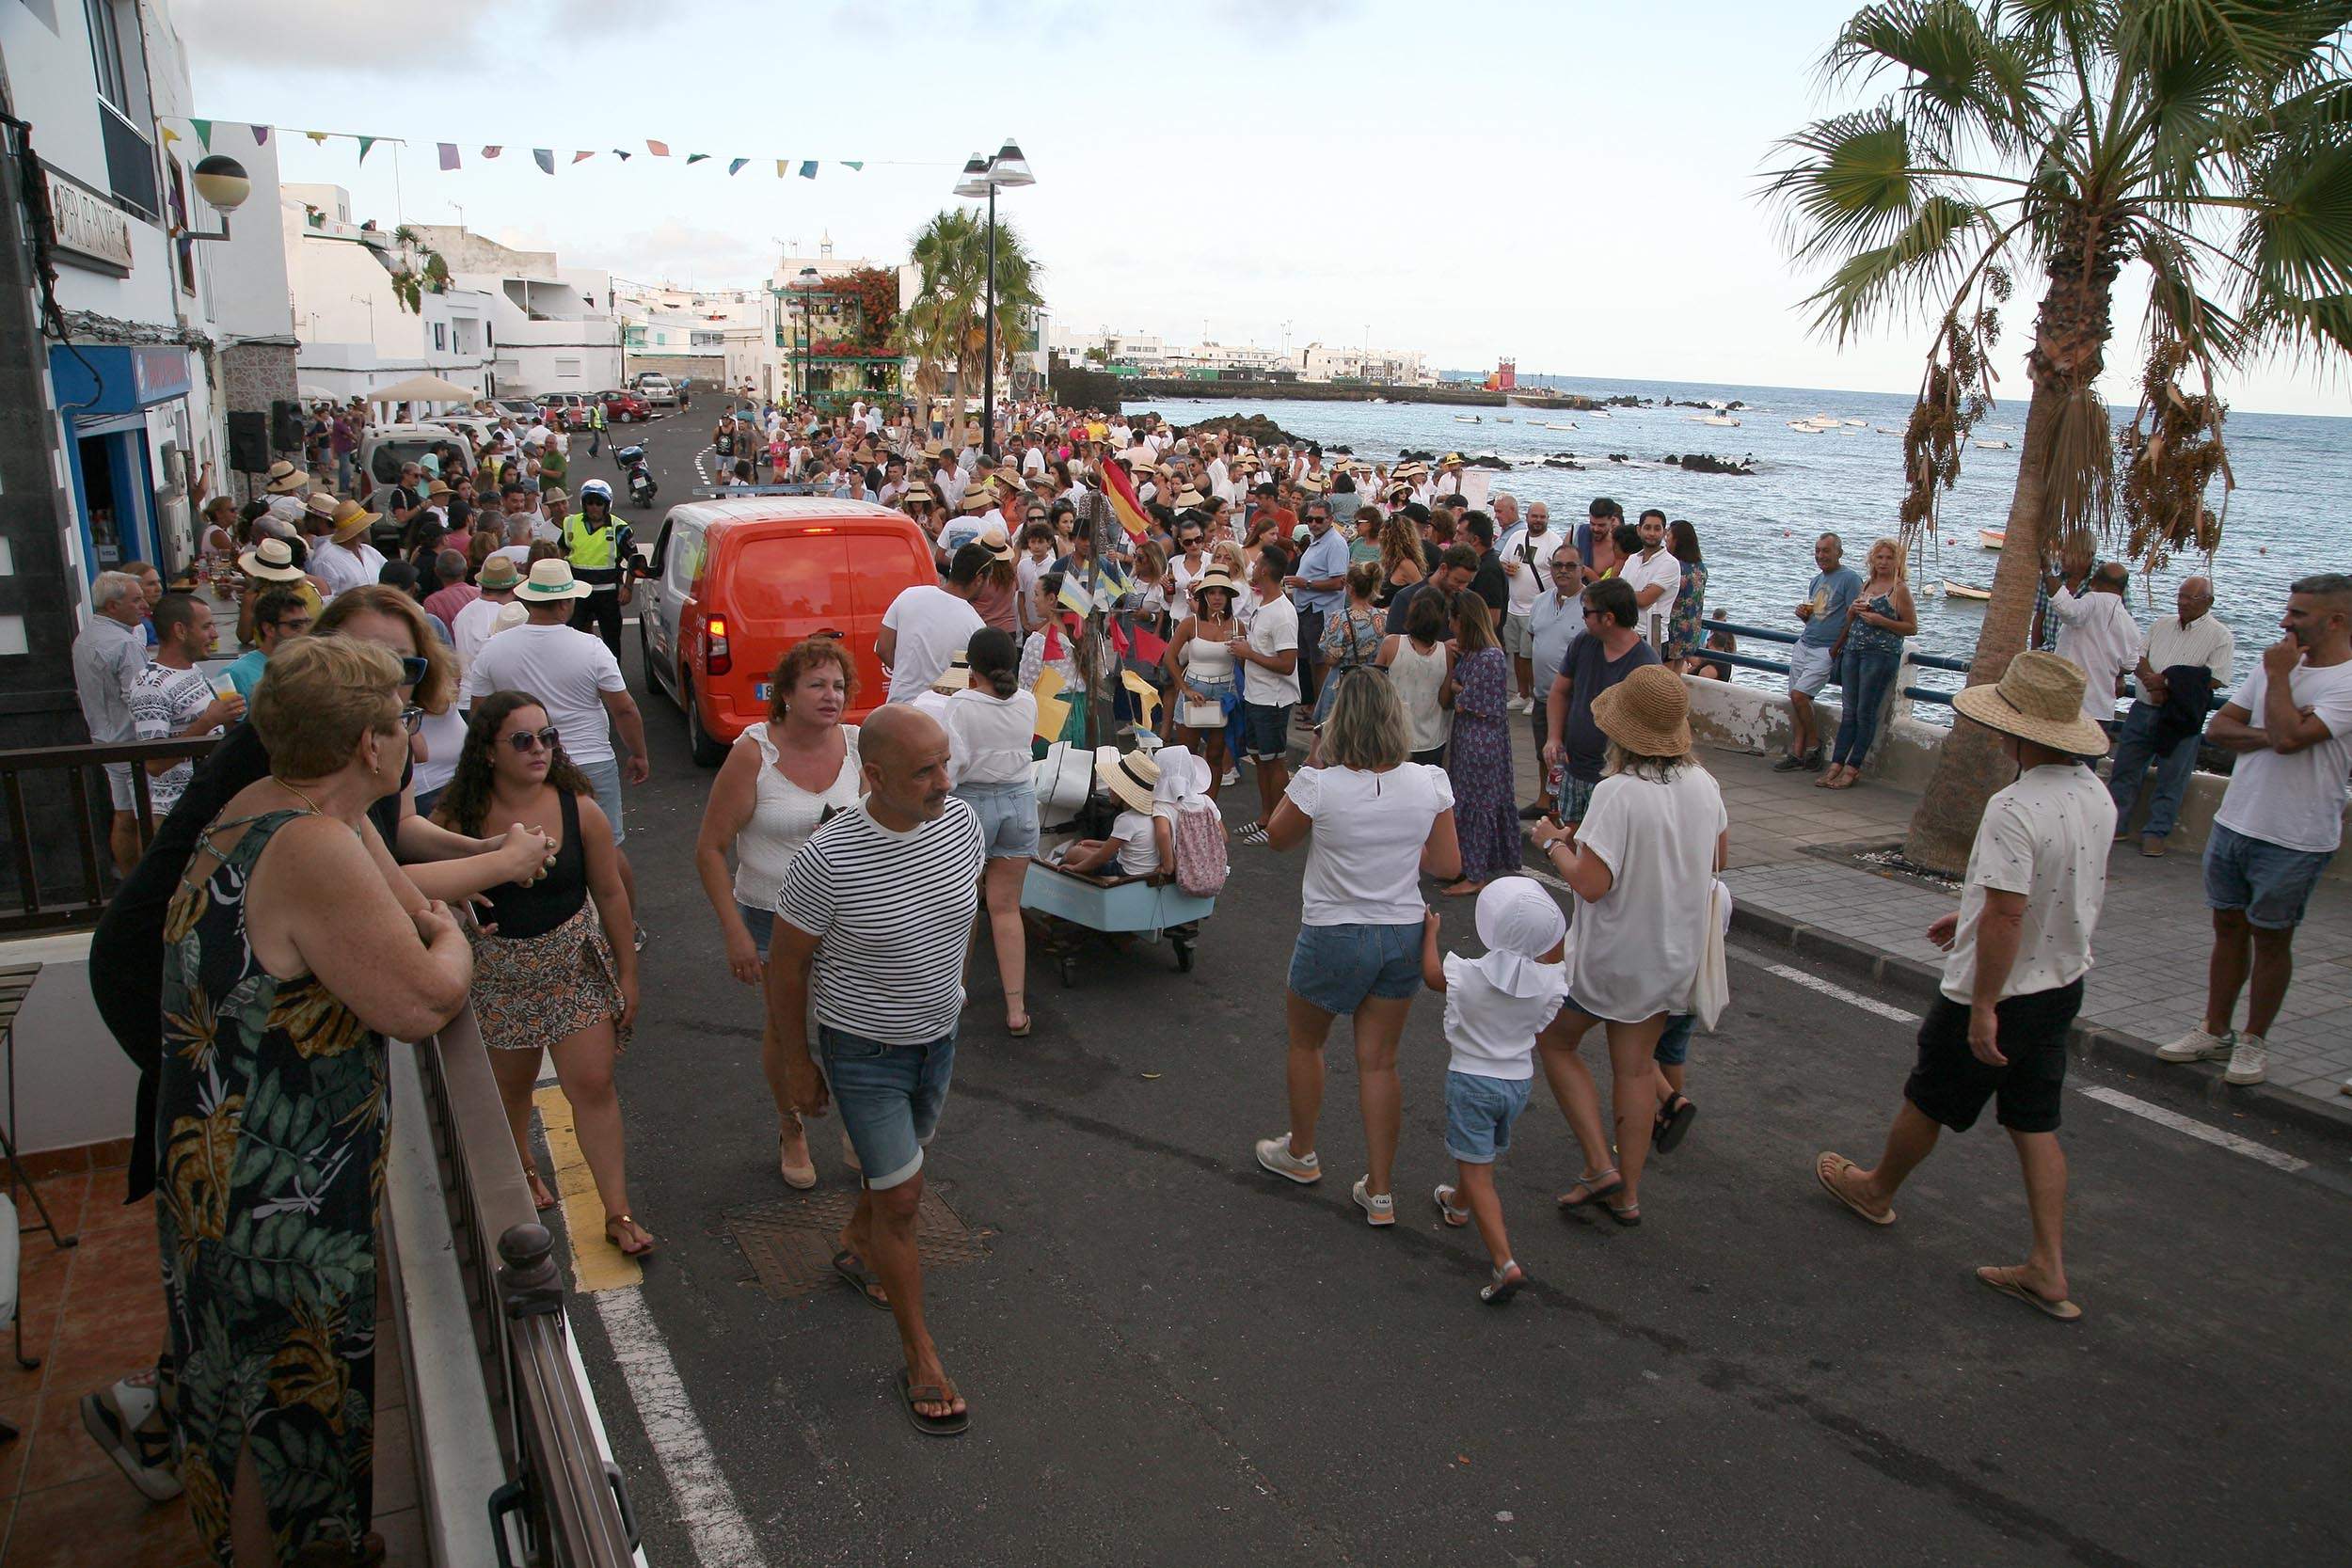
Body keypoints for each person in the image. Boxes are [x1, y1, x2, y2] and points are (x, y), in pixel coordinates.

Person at [153, 635, 473, 1564]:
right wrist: (452, 942)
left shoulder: (259, 807)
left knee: (243, 1389)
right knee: (276, 1404)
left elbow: (391, 902)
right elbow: (421, 996)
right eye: (403, 723)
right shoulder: (312, 844)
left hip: (226, 1175)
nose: (413, 739)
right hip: (270, 1198)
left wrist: (425, 922)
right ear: (371, 747)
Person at [1815, 653, 2116, 1322]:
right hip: (2060, 980)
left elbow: (2010, 912)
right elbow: (2051, 884)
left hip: (2003, 989)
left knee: (1931, 1094)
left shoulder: (2014, 806)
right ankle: (2047, 1263)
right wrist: (1974, 909)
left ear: (2020, 732)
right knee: (2035, 1120)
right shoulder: (2096, 793)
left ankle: (1875, 1188)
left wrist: (1983, 1003)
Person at [767, 705, 986, 1436]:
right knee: (906, 1196)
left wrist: (953, 993)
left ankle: (859, 1245)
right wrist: (796, 1062)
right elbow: (788, 966)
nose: (943, 782)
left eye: (945, 763)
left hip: (938, 1038)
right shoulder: (828, 859)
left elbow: (966, 914)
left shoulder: (961, 825)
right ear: (876, 777)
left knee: (897, 1177)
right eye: (924, 771)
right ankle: (921, 1355)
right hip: (864, 1051)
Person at [435, 691, 645, 1250]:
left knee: (593, 1085)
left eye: (547, 737)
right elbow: (424, 886)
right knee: (511, 1088)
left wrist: (628, 973)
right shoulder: (458, 817)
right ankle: (524, 1165)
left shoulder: (579, 808)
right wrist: (457, 903)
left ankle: (618, 1213)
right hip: (499, 978)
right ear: (487, 751)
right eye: (523, 740)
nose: (539, 749)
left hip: (572, 967)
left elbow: (611, 893)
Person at [1257, 672, 1461, 1224]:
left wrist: (1315, 758)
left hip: (1334, 930)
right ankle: (1381, 1189)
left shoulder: (1319, 785)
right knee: (1380, 1063)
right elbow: (1446, 866)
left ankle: (1301, 1151)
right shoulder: (1429, 783)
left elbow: (1276, 837)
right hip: (1401, 930)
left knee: (1307, 1044)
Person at [1529, 665, 1727, 1227]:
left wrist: (1551, 844)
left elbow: (1592, 883)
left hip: (1613, 954)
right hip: (1669, 953)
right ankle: (1628, 1194)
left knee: (1557, 1042)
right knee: (1637, 1072)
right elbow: (1718, 859)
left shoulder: (1617, 792)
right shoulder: (1703, 785)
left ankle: (1599, 1164)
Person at [2155, 574, 2352, 1088]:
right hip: (2237, 820)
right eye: (2287, 611)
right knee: (2227, 929)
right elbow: (2220, 729)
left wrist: (2281, 693)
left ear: (2337, 620)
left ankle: (2253, 1039)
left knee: (2271, 939)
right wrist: (2277, 727)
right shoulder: (2275, 667)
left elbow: (2290, 741)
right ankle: (2214, 1028)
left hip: (2296, 835)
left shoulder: (2340, 680)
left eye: (2298, 615)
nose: (2284, 622)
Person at [694, 639, 865, 1187]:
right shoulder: (754, 753)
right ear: (785, 694)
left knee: (851, 1021)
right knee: (786, 1025)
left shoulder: (859, 746)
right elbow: (709, 847)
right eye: (816, 684)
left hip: (845, 915)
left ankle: (860, 1122)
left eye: (838, 685)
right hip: (771, 913)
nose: (830, 695)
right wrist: (734, 934)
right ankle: (791, 1125)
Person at [461, 560, 651, 927]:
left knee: (533, 849)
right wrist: (638, 754)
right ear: (566, 603)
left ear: (530, 601)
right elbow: (624, 710)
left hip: (520, 765)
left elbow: (480, 719)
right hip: (590, 760)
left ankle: (548, 924)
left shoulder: (494, 649)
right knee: (607, 850)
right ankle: (627, 927)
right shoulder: (591, 648)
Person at [1421, 880, 1567, 1303]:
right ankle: (1458, 1203)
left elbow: (1432, 976)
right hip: (1517, 1086)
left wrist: (1429, 935)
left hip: (1472, 1082)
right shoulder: (1549, 982)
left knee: (1479, 1170)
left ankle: (1505, 1263)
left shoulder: (1467, 974)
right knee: (1479, 1156)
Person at [944, 628, 1040, 1035]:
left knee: (963, 909)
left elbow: (953, 765)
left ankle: (954, 996)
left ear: (972, 665)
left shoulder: (960, 704)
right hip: (1020, 803)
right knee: (1006, 909)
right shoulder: (1027, 701)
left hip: (972, 805)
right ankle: (1015, 1010)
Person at [2108, 575, 2232, 856]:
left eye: (2190, 598)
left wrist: (2168, 683)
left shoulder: (2220, 636)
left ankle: (2157, 831)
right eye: (2181, 596)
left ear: (2208, 602)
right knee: (2125, 768)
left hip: (2180, 716)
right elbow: (2138, 655)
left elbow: (2216, 679)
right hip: (2143, 709)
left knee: (2173, 777)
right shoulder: (2162, 624)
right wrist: (2152, 680)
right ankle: (2116, 823)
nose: (2182, 602)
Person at [1543, 578, 1661, 829]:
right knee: (1569, 838)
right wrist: (1554, 737)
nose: (1582, 618)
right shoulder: (1583, 643)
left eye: (1587, 612)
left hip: (1612, 776)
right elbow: (1559, 692)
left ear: (1608, 618)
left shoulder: (1645, 665)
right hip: (1575, 769)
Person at [131, 594, 244, 826]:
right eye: (206, 627)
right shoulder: (151, 685)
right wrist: (209, 720)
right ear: (180, 631)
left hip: (206, 802)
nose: (214, 634)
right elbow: (154, 763)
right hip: (178, 813)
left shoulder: (192, 669)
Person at [72, 570, 154, 872]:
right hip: (133, 743)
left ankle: (129, 881)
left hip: (106, 739)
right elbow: (140, 698)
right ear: (112, 606)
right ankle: (146, 883)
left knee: (124, 815)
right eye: (135, 600)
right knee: (146, 817)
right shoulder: (125, 644)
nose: (143, 604)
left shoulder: (85, 638)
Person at [1822, 537, 1919, 788]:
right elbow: (1850, 618)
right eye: (1880, 557)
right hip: (1854, 650)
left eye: (1889, 558)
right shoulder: (1868, 584)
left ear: (1897, 562)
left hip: (1879, 655)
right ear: (1872, 560)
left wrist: (1881, 620)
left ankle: (1852, 768)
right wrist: (1853, 611)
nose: (1884, 562)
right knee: (1849, 712)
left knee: (1865, 713)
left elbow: (1911, 627)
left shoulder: (1899, 589)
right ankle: (1836, 763)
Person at [1440, 594, 1516, 895]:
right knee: (1470, 801)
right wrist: (1461, 689)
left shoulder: (1489, 657)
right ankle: (1470, 865)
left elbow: (1468, 703)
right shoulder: (1473, 654)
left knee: (1478, 805)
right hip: (1470, 737)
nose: (1450, 624)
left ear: (1464, 620)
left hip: (1481, 742)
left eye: (1453, 618)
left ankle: (1476, 873)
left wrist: (1460, 689)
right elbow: (1458, 693)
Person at [1231, 543, 1301, 846]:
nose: (1252, 567)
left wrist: (1249, 652)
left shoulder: (1283, 614)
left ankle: (1277, 824)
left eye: (1256, 563)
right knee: (1260, 759)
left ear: (1266, 570)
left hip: (1273, 700)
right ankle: (1265, 816)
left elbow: (1287, 664)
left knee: (1275, 762)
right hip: (1256, 695)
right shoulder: (1265, 604)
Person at [1776, 532, 1862, 772]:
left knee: (1800, 695)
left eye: (1826, 550)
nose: (1820, 556)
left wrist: (1836, 649)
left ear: (1839, 553)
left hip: (1825, 649)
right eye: (1817, 551)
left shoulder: (1850, 579)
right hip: (1805, 643)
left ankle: (1814, 745)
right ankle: (1797, 752)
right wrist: (1805, 618)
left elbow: (1853, 617)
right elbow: (1821, 617)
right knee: (1798, 700)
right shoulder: (1816, 581)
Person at [880, 543, 990, 702]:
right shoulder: (976, 626)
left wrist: (907, 674)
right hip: (939, 715)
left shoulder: (908, 596)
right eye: (988, 580)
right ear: (979, 579)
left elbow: (883, 648)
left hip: (898, 706)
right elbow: (970, 680)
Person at [1168, 565, 1241, 794]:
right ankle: (1186, 805)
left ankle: (1210, 807)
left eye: (1222, 592)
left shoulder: (1238, 625)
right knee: (1186, 755)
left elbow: (1244, 663)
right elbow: (1169, 657)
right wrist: (1185, 688)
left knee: (1216, 755)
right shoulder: (1191, 623)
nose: (1217, 597)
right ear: (1204, 595)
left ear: (1229, 596)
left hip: (1224, 691)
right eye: (1212, 592)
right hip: (1195, 688)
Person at [2044, 558, 2138, 726]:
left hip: (2071, 705)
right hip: (2101, 710)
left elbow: (2068, 610)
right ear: (2123, 589)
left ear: (2093, 581)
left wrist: (2047, 571)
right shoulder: (2130, 624)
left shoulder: (2093, 600)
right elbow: (2129, 665)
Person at [1057, 747, 1170, 877]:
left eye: (1114, 786)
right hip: (1143, 869)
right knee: (1085, 847)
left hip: (1125, 872)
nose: (1109, 789)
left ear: (1124, 794)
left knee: (1074, 852)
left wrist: (1075, 868)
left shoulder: (1126, 820)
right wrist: (1094, 843)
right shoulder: (1152, 815)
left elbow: (1102, 857)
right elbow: (1121, 844)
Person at [1287, 498, 1351, 710]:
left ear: (1330, 519)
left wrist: (1306, 584)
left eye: (1318, 520)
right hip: (1308, 609)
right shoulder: (1317, 539)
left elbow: (1339, 583)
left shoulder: (1335, 543)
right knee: (1310, 661)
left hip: (1321, 611)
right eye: (1310, 519)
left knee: (1321, 663)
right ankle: (1314, 706)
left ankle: (1321, 711)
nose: (1313, 524)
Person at [560, 480, 633, 655]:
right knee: (573, 640)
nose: (594, 507)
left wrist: (628, 588)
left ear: (606, 505)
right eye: (590, 503)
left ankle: (613, 680)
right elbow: (560, 552)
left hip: (608, 596)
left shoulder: (620, 528)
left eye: (599, 503)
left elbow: (634, 560)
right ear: (584, 504)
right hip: (577, 594)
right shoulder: (571, 523)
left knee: (612, 642)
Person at [1313, 562, 1386, 729]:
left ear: (1350, 588)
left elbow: (1331, 659)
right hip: (1371, 683)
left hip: (1343, 682)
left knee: (1335, 731)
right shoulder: (1384, 617)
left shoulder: (1339, 618)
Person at [1497, 496, 1550, 709]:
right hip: (1513, 606)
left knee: (1533, 656)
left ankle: (1537, 696)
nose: (1538, 520)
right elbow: (1502, 560)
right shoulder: (1517, 536)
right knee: (1517, 653)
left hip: (1536, 608)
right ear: (1526, 517)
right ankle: (1522, 693)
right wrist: (1506, 568)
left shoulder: (1553, 541)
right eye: (1534, 516)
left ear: (1547, 519)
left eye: (1542, 517)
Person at [219, 587, 312, 702]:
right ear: (269, 629)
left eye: (308, 623)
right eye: (295, 625)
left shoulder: (312, 665)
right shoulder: (235, 675)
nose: (305, 631)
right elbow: (226, 719)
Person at [451, 554, 522, 675]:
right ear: (513, 589)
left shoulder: (464, 612)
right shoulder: (505, 617)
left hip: (466, 689)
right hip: (490, 691)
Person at [310, 499, 388, 599]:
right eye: (366, 524)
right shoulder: (326, 560)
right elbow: (326, 601)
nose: (370, 526)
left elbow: (388, 576)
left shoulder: (369, 551)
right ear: (358, 530)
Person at [1662, 518, 1709, 670]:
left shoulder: (1676, 567)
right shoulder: (1700, 567)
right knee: (1676, 674)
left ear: (1677, 541)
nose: (1665, 539)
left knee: (1665, 676)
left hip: (1673, 629)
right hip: (1691, 629)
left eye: (1668, 536)